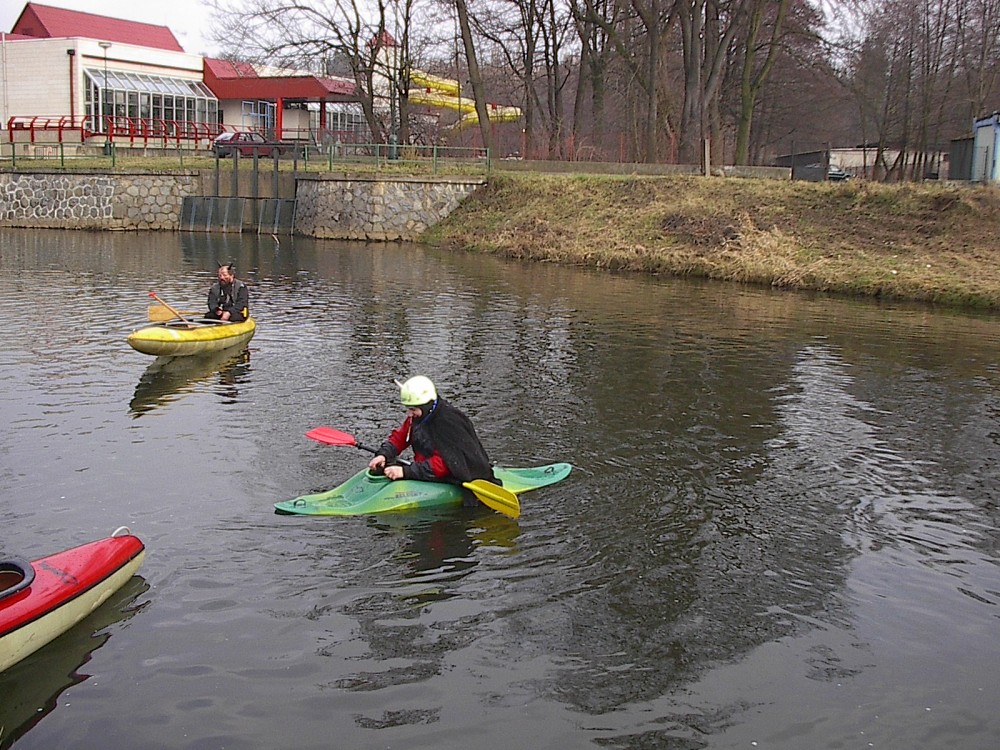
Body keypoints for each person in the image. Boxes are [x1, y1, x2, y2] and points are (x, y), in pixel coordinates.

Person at [368, 376, 499, 495]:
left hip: (455, 474)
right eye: (408, 409)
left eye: (413, 409)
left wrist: (405, 472)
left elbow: (444, 464)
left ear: (425, 406)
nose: (409, 413)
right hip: (425, 471)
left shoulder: (449, 422)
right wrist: (384, 454)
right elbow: (401, 437)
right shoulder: (420, 416)